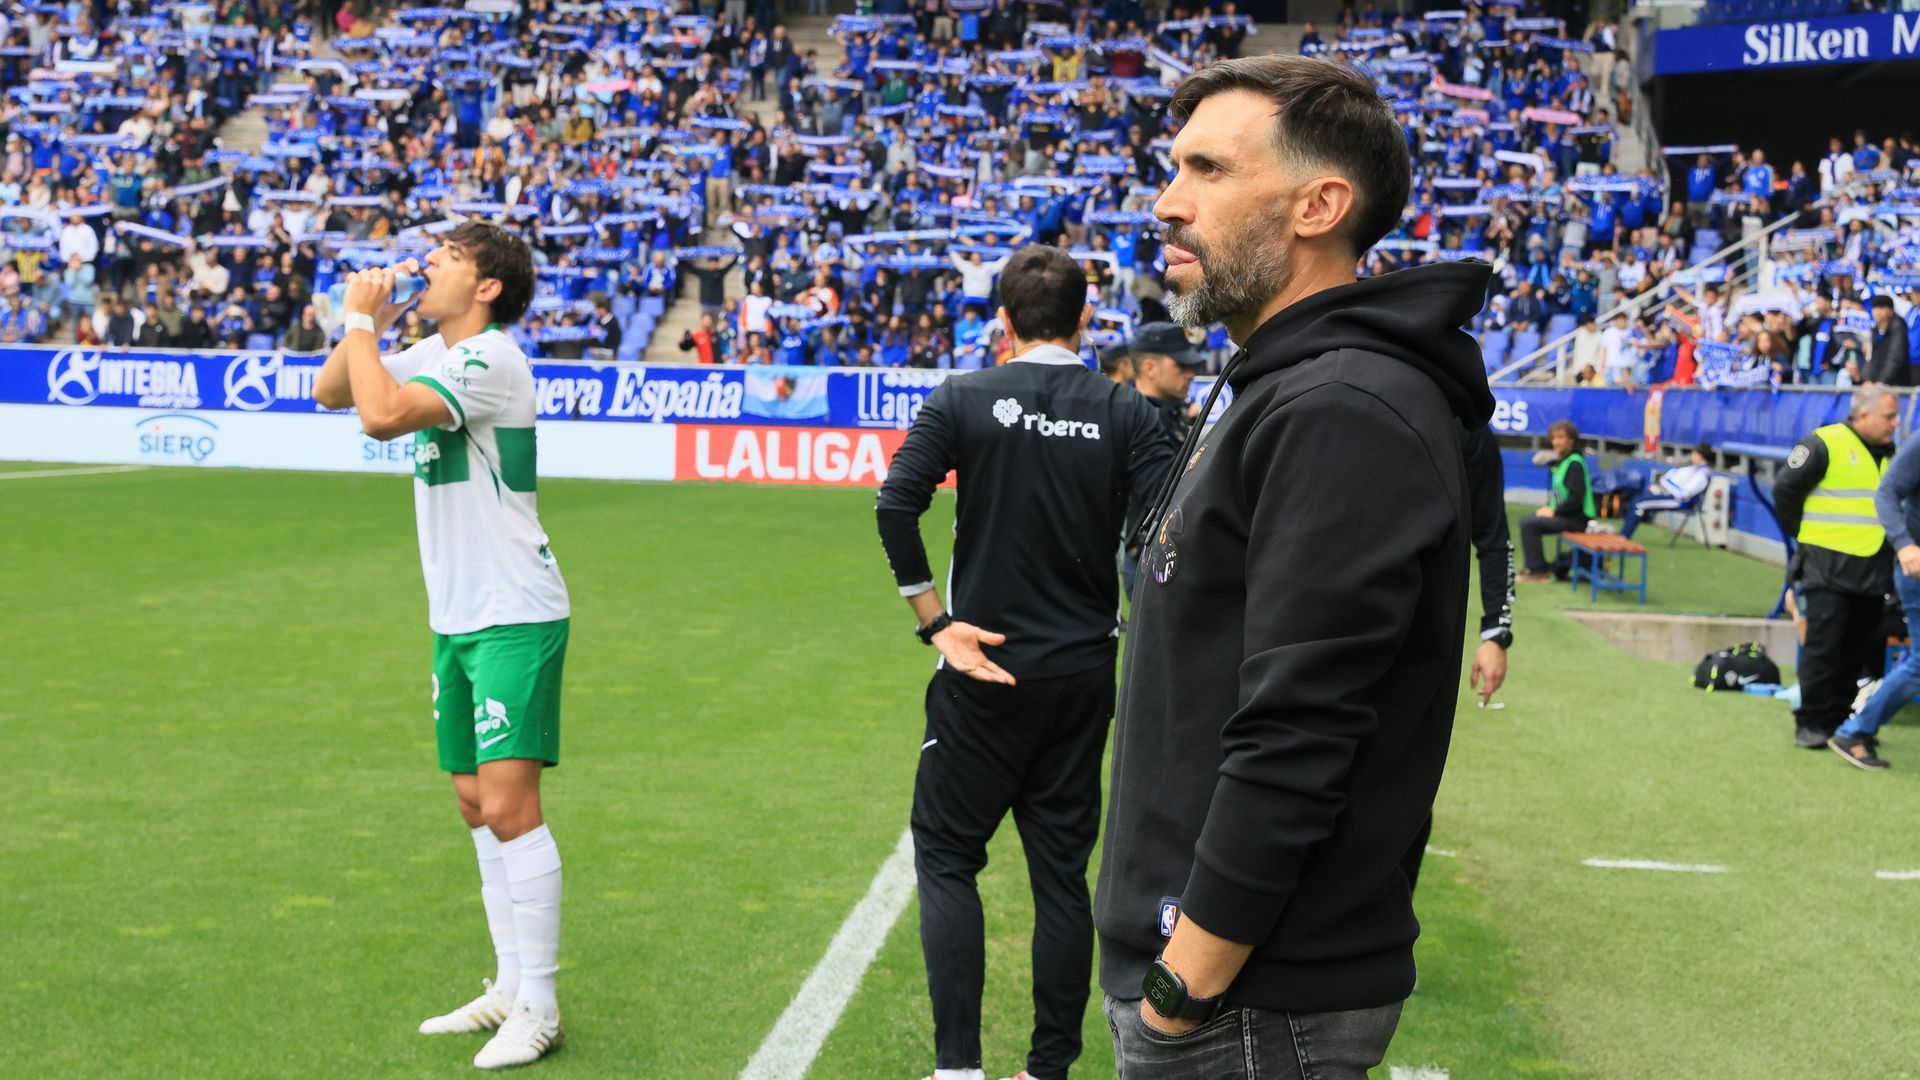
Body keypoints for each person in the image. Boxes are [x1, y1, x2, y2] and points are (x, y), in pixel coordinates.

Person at [1095, 55, 1494, 1079]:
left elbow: (1299, 733)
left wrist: (1184, 990)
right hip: (1227, 989)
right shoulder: (1280, 385)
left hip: (1247, 1005)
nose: (1167, 203)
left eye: (1208, 170)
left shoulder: (1339, 409)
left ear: (1320, 204)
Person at [875, 245, 1177, 1080]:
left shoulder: (965, 395)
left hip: (981, 671)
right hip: (1079, 677)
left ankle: (958, 1069)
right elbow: (1166, 541)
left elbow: (896, 505)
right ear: (1086, 319)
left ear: (1001, 320)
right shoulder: (1125, 412)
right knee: (1059, 878)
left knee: (945, 857)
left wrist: (936, 624)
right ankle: (1049, 1069)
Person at [312, 222, 571, 1070]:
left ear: (488, 286)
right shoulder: (433, 349)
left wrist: (361, 327)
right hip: (458, 615)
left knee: (508, 806)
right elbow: (332, 394)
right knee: (471, 800)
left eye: (450, 257)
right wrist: (369, 326)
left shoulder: (490, 358)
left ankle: (540, 1002)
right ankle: (507, 985)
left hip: (513, 611)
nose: (428, 263)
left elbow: (380, 416)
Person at [1773, 384, 1898, 750]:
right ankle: (1811, 723)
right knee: (1823, 648)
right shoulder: (1823, 443)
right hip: (1827, 566)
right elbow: (1785, 491)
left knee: (1855, 650)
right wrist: (1805, 537)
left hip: (1872, 568)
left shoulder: (1890, 453)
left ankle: (1839, 719)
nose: (1895, 423)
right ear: (1863, 416)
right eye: (1889, 416)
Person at [1830, 424, 1920, 770]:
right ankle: (1855, 731)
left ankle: (1857, 729)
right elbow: (1886, 493)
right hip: (1915, 565)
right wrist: (1905, 544)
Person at [1515, 420, 1593, 582]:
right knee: (1529, 520)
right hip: (1567, 515)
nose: (1556, 442)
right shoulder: (1563, 462)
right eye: (1554, 438)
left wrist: (1554, 511)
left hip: (1577, 518)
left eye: (1561, 437)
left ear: (1571, 440)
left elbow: (1576, 499)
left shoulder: (1575, 463)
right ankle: (1540, 567)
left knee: (1529, 524)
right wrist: (1549, 508)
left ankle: (1537, 571)